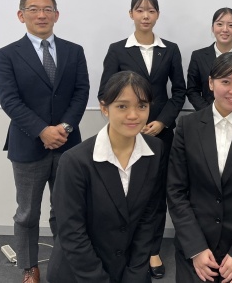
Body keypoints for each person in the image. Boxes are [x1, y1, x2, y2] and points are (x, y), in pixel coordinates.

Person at [0, 0, 89, 283]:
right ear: (21, 15)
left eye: (47, 9)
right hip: (27, 145)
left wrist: (64, 129)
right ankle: (29, 267)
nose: (41, 15)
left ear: (57, 15)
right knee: (27, 213)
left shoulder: (74, 51)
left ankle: (64, 262)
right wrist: (42, 131)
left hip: (68, 145)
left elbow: (81, 92)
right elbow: (10, 101)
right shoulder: (6, 55)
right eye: (33, 9)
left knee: (66, 210)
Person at [98, 0, 185, 278]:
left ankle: (152, 250)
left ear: (157, 15)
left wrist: (162, 122)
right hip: (126, 134)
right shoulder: (117, 50)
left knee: (156, 194)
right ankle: (125, 246)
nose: (145, 16)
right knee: (125, 192)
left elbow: (179, 91)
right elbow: (105, 92)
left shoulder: (169, 49)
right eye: (139, 10)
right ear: (131, 14)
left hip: (159, 134)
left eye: (151, 11)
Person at [47, 71, 164, 283]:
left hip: (129, 270)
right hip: (81, 273)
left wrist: (135, 273)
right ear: (104, 108)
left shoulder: (155, 150)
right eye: (122, 106)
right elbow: (71, 232)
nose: (133, 115)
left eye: (142, 106)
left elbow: (148, 217)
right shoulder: (75, 161)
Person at [167, 52, 232, 283]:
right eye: (226, 81)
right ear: (210, 83)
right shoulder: (187, 126)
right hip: (196, 244)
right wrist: (196, 248)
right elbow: (176, 190)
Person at [187, 7, 232, 110]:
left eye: (231, 25)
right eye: (220, 24)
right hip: (207, 114)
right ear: (212, 28)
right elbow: (192, 91)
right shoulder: (198, 56)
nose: (225, 29)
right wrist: (210, 113)